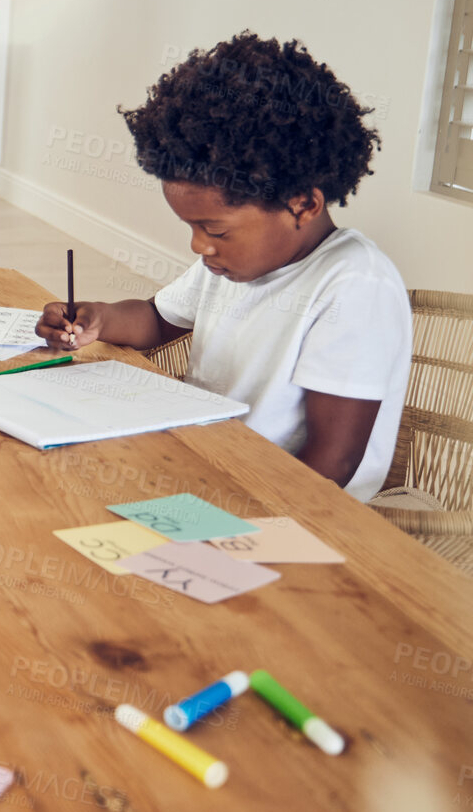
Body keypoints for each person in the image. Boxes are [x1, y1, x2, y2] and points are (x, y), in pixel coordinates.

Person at [35, 32, 410, 499]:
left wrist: (220, 506)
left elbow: (333, 462)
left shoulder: (354, 285)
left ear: (303, 204)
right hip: (206, 464)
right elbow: (156, 319)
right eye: (192, 228)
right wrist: (100, 317)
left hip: (289, 504)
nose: (199, 246)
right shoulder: (236, 264)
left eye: (215, 230)